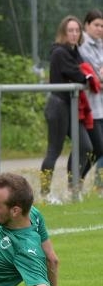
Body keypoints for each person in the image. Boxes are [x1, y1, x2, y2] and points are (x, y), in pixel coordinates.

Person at [40, 15, 95, 203]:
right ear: (63, 33)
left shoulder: (74, 51)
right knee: (54, 150)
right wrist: (88, 77)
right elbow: (79, 75)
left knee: (86, 146)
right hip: (58, 106)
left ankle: (73, 189)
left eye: (77, 30)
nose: (74, 34)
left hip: (71, 107)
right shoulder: (60, 52)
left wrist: (89, 76)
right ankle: (45, 193)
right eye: (70, 30)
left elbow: (84, 72)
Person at [78, 9, 103, 189]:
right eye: (96, 25)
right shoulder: (82, 45)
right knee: (94, 146)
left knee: (99, 148)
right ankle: (76, 181)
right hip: (89, 107)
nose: (100, 29)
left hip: (100, 105)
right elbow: (93, 74)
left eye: (102, 26)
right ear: (86, 25)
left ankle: (98, 184)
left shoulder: (100, 44)